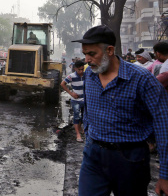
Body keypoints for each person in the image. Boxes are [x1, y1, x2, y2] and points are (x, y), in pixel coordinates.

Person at [72, 25, 168, 196]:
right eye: (85, 53)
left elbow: (164, 125)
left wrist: (165, 175)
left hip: (130, 160)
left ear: (109, 50)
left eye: (91, 54)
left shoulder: (141, 79)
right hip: (93, 156)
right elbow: (88, 107)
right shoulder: (89, 74)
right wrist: (88, 133)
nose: (86, 59)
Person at [60, 60, 85, 143]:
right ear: (75, 69)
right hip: (76, 101)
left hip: (85, 100)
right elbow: (62, 84)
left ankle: (80, 127)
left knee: (84, 117)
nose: (81, 71)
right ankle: (78, 134)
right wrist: (71, 93)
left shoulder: (86, 75)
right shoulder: (71, 76)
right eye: (79, 70)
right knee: (76, 116)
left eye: (82, 69)